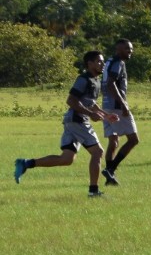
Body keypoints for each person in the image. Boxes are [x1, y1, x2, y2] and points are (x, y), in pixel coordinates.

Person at [14, 50, 119, 197]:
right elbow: (71, 100)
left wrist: (106, 115)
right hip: (77, 120)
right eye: (99, 61)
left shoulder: (96, 80)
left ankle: (25, 163)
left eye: (102, 62)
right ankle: (93, 191)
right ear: (89, 63)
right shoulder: (83, 79)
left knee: (66, 159)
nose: (102, 65)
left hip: (73, 120)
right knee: (98, 152)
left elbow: (91, 103)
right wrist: (90, 114)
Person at [100, 39, 139, 186]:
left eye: (131, 49)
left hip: (106, 105)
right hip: (116, 106)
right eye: (127, 49)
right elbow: (111, 83)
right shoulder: (118, 63)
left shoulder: (108, 62)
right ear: (118, 49)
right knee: (133, 139)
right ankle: (111, 169)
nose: (130, 51)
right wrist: (123, 104)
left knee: (113, 141)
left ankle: (110, 177)